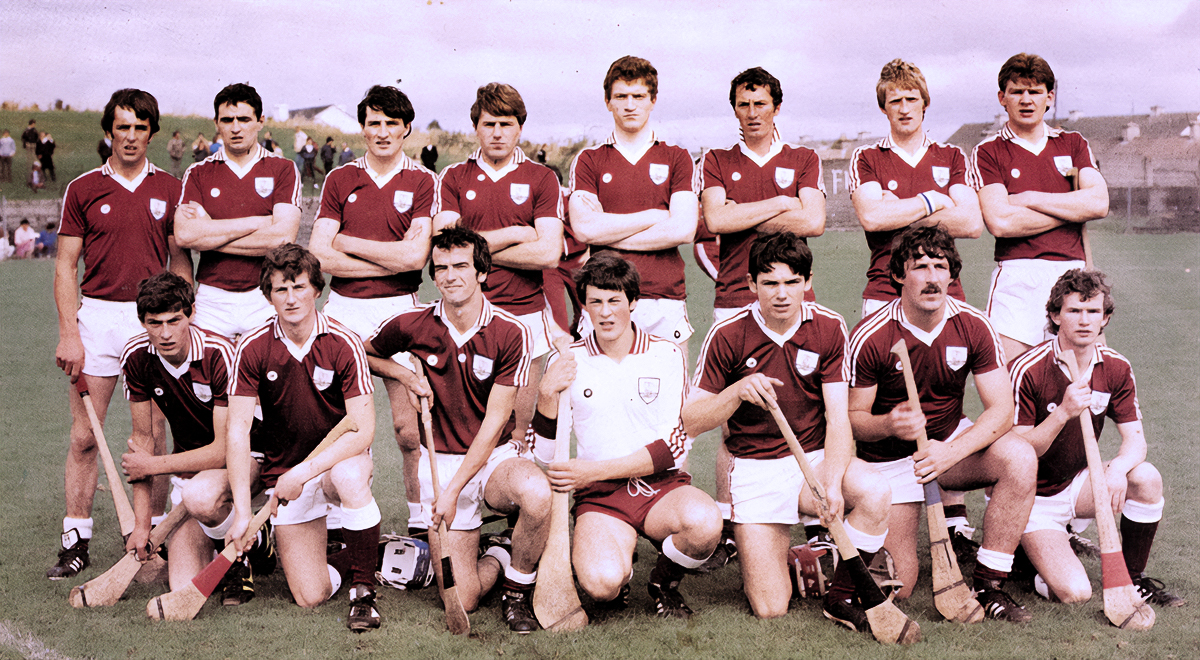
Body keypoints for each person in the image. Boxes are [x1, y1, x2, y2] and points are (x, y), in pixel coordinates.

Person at [683, 232, 892, 631]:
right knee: (770, 607)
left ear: (808, 281)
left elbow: (838, 417)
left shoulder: (829, 327)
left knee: (874, 491)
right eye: (770, 282)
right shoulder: (727, 334)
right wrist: (736, 391)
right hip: (754, 468)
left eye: (792, 281)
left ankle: (841, 594)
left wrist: (831, 484)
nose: (782, 293)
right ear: (750, 285)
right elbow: (692, 420)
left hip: (811, 459)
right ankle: (807, 558)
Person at [364, 227, 551, 633]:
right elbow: (365, 351)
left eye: (461, 266)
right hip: (440, 461)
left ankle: (518, 588)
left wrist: (451, 493)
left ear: (482, 272)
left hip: (493, 458)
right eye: (441, 268)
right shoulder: (412, 323)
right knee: (461, 598)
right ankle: (500, 555)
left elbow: (496, 421)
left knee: (536, 494)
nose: (450, 276)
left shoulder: (511, 331)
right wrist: (404, 374)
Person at [847, 224, 1036, 620]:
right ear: (898, 275)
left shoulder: (973, 324)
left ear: (952, 274)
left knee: (1019, 457)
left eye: (940, 266)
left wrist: (950, 451)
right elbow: (854, 420)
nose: (932, 277)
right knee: (902, 585)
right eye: (920, 267)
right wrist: (890, 425)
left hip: (948, 449)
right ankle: (829, 553)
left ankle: (988, 584)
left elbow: (1002, 410)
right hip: (890, 460)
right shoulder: (872, 334)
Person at [49, 88, 192, 579]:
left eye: (140, 127)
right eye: (122, 127)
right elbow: (66, 266)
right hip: (99, 320)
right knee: (86, 435)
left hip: (150, 323)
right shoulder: (83, 188)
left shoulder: (171, 188)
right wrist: (70, 332)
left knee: (150, 436)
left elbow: (179, 261)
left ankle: (147, 537)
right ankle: (75, 537)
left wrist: (180, 317)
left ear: (152, 132)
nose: (130, 137)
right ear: (109, 131)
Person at [532, 253, 721, 619]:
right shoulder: (571, 361)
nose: (605, 312)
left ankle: (663, 583)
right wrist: (545, 395)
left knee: (705, 524)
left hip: (661, 488)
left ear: (633, 302)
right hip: (603, 499)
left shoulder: (665, 354)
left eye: (615, 300)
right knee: (602, 585)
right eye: (595, 302)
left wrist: (593, 471)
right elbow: (543, 454)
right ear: (583, 305)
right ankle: (620, 563)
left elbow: (676, 446)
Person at [699, 66, 827, 549]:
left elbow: (812, 220)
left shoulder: (804, 157)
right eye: (743, 104)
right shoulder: (715, 159)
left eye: (760, 104)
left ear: (776, 106)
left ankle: (816, 519)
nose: (752, 113)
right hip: (734, 300)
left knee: (807, 409)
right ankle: (732, 523)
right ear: (734, 108)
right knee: (734, 419)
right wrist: (779, 200)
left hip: (794, 301)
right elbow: (715, 217)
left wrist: (745, 211)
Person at [226, 244, 382, 631]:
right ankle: (370, 549)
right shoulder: (252, 347)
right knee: (310, 596)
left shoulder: (343, 342)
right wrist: (245, 512)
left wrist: (306, 471)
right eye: (281, 290)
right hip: (283, 473)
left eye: (299, 287)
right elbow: (238, 430)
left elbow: (363, 429)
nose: (291, 298)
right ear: (268, 297)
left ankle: (363, 593)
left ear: (317, 289)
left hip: (335, 463)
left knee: (349, 477)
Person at [1008, 269, 1184, 607]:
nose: (1084, 320)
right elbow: (1019, 451)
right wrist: (1063, 412)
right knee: (1076, 593)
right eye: (1074, 311)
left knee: (1145, 477)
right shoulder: (1028, 368)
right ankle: (1023, 562)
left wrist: (1117, 468)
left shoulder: (1116, 367)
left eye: (1093, 312)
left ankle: (1132, 581)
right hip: (1032, 497)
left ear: (1105, 318)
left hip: (1078, 484)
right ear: (1055, 315)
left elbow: (1136, 441)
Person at [309, 84, 435, 538]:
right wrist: (387, 253)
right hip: (343, 306)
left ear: (405, 128)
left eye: (391, 124)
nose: (381, 132)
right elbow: (319, 256)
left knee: (408, 427)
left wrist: (346, 241)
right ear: (362, 127)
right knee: (340, 423)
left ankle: (420, 518)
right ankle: (339, 518)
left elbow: (414, 260)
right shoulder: (341, 178)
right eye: (373, 123)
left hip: (400, 309)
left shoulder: (422, 180)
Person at [118, 272, 273, 602]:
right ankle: (247, 542)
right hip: (189, 473)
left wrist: (155, 465)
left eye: (174, 320)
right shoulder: (136, 358)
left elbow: (222, 450)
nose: (165, 333)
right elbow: (142, 443)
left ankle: (245, 556)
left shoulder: (218, 354)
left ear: (190, 313)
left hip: (249, 459)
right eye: (154, 323)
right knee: (183, 585)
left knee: (202, 496)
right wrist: (143, 525)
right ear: (142, 322)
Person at [433, 83, 564, 453]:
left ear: (520, 127)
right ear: (476, 126)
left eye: (506, 124)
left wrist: (472, 254)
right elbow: (443, 244)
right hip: (466, 318)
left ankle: (519, 506)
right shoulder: (455, 177)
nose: (497, 132)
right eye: (489, 124)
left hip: (526, 316)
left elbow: (549, 253)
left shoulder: (541, 178)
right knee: (465, 426)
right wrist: (516, 233)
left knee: (519, 431)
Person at [970, 53, 1109, 361]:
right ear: (1002, 98)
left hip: (1073, 274)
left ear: (1050, 96)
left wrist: (1030, 197)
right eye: (1017, 91)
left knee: (1083, 386)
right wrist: (1071, 210)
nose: (1026, 99)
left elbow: (1098, 203)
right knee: (1012, 383)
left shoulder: (1072, 144)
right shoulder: (989, 151)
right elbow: (1001, 222)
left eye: (1034, 91)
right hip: (1017, 275)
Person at [569, 56, 699, 356]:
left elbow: (683, 229)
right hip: (604, 298)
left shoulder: (677, 157)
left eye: (638, 96)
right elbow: (585, 229)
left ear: (652, 100)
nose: (630, 105)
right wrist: (655, 216)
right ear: (608, 102)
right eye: (621, 96)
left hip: (664, 300)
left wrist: (608, 231)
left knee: (668, 400)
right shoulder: (589, 160)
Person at [850, 59, 982, 319]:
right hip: (885, 294)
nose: (904, 109)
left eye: (911, 99)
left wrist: (897, 210)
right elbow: (873, 218)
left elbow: (971, 224)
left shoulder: (952, 155)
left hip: (945, 292)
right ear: (882, 108)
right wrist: (933, 200)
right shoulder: (866, 157)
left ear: (925, 103)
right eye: (895, 101)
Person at [175, 83, 301, 340]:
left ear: (260, 121)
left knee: (267, 378)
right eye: (227, 120)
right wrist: (260, 222)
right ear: (216, 123)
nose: (235, 128)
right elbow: (186, 236)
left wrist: (210, 235)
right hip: (212, 299)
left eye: (244, 119)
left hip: (264, 297)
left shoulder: (283, 169)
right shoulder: (198, 172)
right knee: (209, 378)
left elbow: (282, 239)